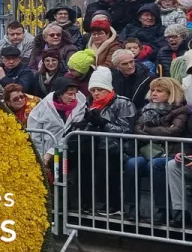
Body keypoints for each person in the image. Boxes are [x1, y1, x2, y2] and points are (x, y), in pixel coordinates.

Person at [124, 78, 189, 220]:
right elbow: (137, 130)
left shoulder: (180, 110)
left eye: (159, 91)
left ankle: (162, 209)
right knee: (132, 163)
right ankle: (132, 207)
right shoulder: (147, 108)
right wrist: (159, 131)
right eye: (153, 90)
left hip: (171, 151)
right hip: (148, 151)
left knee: (156, 164)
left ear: (171, 93)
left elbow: (173, 131)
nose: (154, 93)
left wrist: (149, 129)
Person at [75, 67, 136, 216]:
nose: (96, 93)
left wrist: (103, 123)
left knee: (106, 161)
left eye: (100, 89)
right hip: (95, 145)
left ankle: (114, 204)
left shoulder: (122, 103)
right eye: (93, 90)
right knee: (81, 160)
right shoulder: (90, 104)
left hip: (117, 147)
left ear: (108, 89)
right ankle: (86, 202)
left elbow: (126, 129)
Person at [27, 76, 87, 164]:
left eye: (75, 94)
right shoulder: (42, 107)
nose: (74, 98)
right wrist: (40, 157)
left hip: (70, 153)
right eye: (69, 94)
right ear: (59, 94)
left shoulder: (81, 106)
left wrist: (50, 153)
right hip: (44, 155)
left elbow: (70, 134)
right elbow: (35, 135)